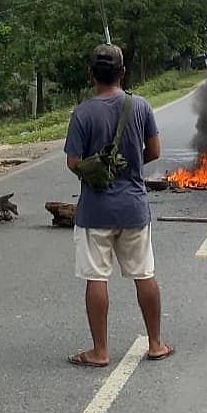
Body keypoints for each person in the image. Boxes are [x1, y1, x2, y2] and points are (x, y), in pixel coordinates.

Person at [64, 43, 173, 366]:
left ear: (90, 75)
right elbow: (153, 151)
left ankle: (99, 351)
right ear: (122, 73)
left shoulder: (82, 113)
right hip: (134, 207)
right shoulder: (140, 106)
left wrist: (97, 171)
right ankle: (155, 343)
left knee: (96, 278)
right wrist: (130, 163)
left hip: (94, 210)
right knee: (144, 274)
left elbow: (72, 162)